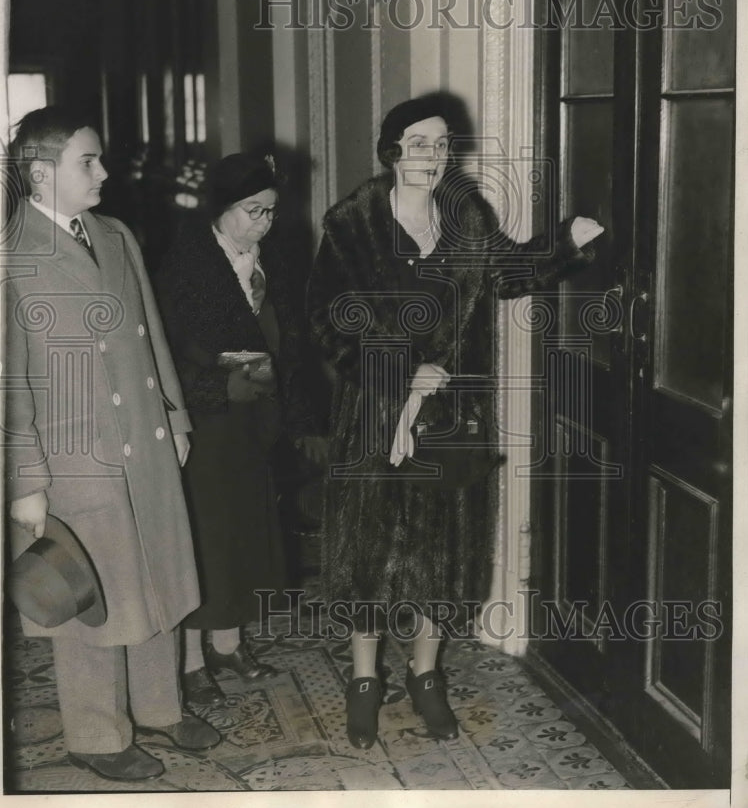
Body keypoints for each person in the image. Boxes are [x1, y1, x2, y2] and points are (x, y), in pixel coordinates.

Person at [306, 95, 603, 749]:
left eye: (442, 145)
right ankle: (364, 683)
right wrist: (399, 372)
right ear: (392, 149)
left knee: (439, 552)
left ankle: (426, 677)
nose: (433, 156)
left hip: (452, 416)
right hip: (376, 415)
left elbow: (506, 275)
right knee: (370, 551)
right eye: (419, 143)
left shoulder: (466, 214)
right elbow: (329, 325)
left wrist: (566, 244)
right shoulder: (352, 226)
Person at [3, 106, 220, 783]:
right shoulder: (8, 256)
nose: (103, 172)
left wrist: (177, 419)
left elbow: (151, 336)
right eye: (87, 162)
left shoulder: (116, 234)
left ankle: (159, 707)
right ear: (42, 173)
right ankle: (96, 736)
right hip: (75, 459)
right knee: (90, 599)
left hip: (145, 443)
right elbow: (6, 384)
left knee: (156, 577)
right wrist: (27, 481)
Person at [156, 152, 323, 707]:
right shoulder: (185, 263)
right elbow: (164, 356)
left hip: (256, 425)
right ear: (220, 209)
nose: (264, 222)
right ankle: (192, 660)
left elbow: (293, 343)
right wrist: (219, 386)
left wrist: (300, 418)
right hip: (205, 426)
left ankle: (228, 643)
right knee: (206, 541)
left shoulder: (276, 258)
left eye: (271, 212)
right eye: (253, 211)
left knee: (247, 536)